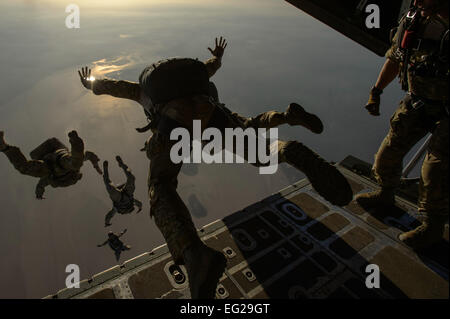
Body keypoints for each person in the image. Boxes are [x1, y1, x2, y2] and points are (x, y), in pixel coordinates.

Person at [79, 37, 353, 298]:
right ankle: (288, 149)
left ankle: (194, 254)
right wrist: (217, 56)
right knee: (261, 154)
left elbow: (111, 85)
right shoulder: (197, 84)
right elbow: (211, 67)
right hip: (209, 109)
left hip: (173, 118)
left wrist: (90, 83)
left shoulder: (142, 91)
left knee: (160, 185)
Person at [356, 0, 449, 250]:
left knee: (435, 170)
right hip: (418, 100)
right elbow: (396, 58)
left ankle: (433, 227)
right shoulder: (413, 19)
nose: (417, 1)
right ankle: (386, 194)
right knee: (388, 154)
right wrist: (376, 91)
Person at [0, 130, 102, 199]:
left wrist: (39, 195)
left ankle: (4, 148)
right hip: (59, 154)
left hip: (50, 161)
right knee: (75, 163)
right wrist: (96, 165)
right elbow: (87, 155)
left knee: (24, 168)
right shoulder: (69, 167)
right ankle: (4, 148)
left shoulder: (48, 176)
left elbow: (40, 185)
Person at [103, 156, 142, 227]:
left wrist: (107, 222)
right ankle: (121, 165)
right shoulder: (131, 201)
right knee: (131, 178)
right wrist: (140, 207)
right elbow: (139, 203)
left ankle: (112, 168)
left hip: (120, 198)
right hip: (125, 195)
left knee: (109, 185)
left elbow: (109, 216)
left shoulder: (117, 208)